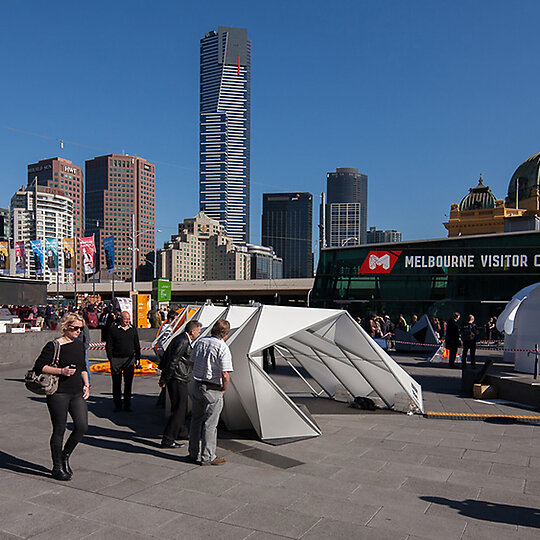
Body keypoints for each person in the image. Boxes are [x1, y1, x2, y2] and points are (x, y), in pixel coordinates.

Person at [32, 313, 89, 481]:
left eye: (81, 328)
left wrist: (87, 384)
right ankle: (57, 467)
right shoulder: (54, 345)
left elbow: (83, 367)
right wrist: (61, 371)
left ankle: (65, 455)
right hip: (58, 393)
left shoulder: (79, 345)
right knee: (59, 429)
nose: (79, 331)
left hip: (77, 392)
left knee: (81, 426)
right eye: (75, 328)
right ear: (66, 327)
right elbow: (39, 367)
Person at [188, 319, 233, 466]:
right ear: (225, 334)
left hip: (198, 385)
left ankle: (192, 452)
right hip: (213, 388)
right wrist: (224, 388)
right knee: (210, 424)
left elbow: (192, 362)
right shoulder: (222, 347)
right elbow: (225, 374)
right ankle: (208, 456)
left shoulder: (200, 341)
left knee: (195, 421)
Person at [159, 320, 202, 448]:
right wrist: (165, 378)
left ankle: (181, 431)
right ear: (192, 331)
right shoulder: (183, 341)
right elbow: (173, 360)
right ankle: (168, 438)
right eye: (198, 331)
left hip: (177, 377)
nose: (199, 334)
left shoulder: (181, 339)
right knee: (180, 409)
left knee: (179, 407)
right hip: (177, 378)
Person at [105, 311, 141, 412]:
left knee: (128, 383)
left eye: (129, 319)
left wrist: (138, 358)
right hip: (116, 359)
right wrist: (111, 358)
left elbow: (136, 344)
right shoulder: (113, 329)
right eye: (126, 319)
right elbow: (109, 345)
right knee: (116, 383)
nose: (127, 321)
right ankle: (117, 405)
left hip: (129, 359)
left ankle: (127, 404)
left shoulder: (132, 329)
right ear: (121, 318)